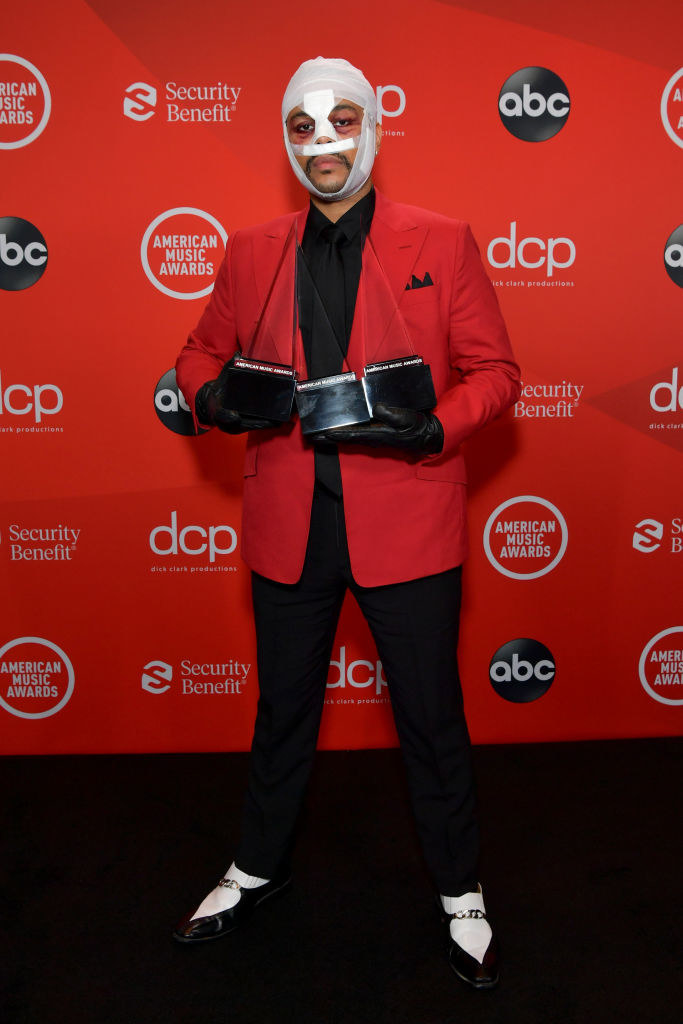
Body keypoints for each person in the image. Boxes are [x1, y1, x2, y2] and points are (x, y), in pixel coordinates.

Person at [173, 56, 520, 990]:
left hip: (406, 520)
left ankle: (460, 892)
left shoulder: (440, 242)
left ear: (372, 128)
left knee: (430, 716)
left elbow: (496, 372)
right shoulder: (251, 248)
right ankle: (257, 868)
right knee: (283, 710)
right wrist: (212, 397)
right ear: (286, 139)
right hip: (290, 521)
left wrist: (438, 425)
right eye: (301, 127)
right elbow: (199, 349)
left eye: (339, 123)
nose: (321, 145)